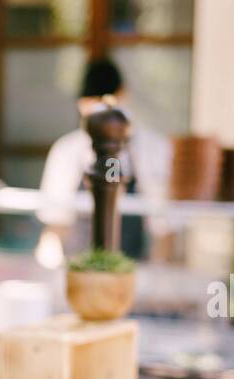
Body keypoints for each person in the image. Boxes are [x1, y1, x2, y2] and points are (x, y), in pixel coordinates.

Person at [36, 58, 173, 263]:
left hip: (135, 268)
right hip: (79, 266)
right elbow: (55, 226)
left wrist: (155, 277)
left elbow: (164, 229)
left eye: (107, 107)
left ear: (123, 96)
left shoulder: (153, 148)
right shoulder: (67, 151)